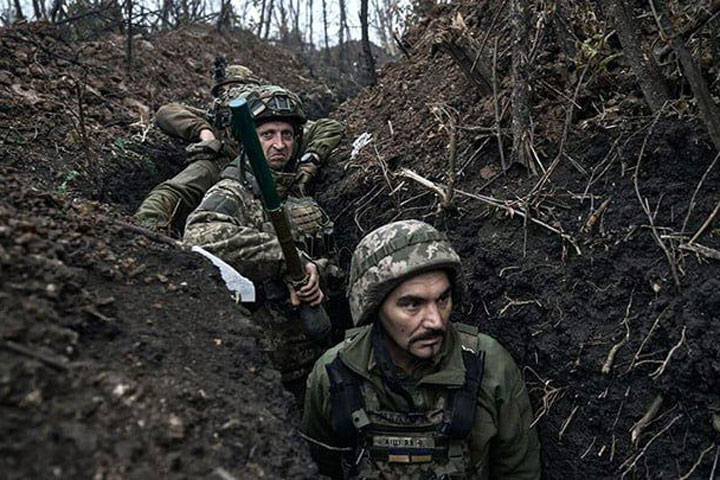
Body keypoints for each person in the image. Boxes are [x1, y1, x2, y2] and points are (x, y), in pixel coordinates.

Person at [300, 220, 541, 479]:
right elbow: (313, 469)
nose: (436, 321)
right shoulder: (333, 374)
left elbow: (519, 472)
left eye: (443, 299)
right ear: (374, 308)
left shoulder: (488, 365)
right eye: (412, 305)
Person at [183, 86, 344, 397]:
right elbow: (200, 233)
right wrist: (285, 258)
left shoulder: (298, 189)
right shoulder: (233, 191)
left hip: (322, 359)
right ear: (248, 141)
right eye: (268, 134)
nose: (279, 144)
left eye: (287, 134)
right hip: (269, 368)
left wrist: (316, 272)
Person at [134, 60, 344, 235]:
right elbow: (167, 113)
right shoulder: (217, 121)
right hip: (225, 158)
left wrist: (309, 162)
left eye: (242, 91)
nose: (234, 96)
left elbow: (327, 127)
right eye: (227, 93)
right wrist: (204, 133)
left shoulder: (273, 118)